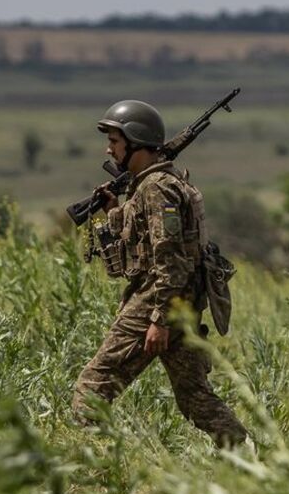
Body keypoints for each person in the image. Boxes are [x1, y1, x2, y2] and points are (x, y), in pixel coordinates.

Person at [72, 99, 247, 447]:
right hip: (178, 302)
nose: (109, 148)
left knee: (92, 389)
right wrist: (116, 212)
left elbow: (170, 259)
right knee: (194, 397)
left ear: (135, 142)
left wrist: (159, 319)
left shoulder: (156, 188)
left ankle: (98, 469)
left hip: (158, 300)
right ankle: (246, 455)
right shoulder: (153, 185)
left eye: (115, 141)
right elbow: (145, 245)